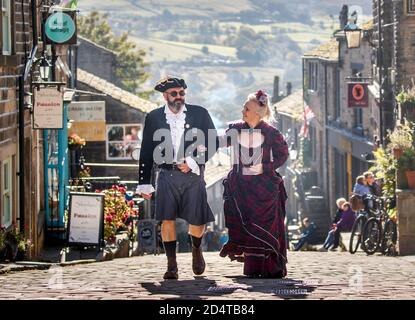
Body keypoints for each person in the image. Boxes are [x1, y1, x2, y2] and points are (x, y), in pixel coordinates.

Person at [136, 76, 217, 280]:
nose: (179, 97)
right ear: (165, 96)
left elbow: (214, 141)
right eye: (174, 93)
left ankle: (196, 250)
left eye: (182, 93)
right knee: (167, 220)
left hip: (193, 174)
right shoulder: (154, 117)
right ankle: (171, 265)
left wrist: (193, 161)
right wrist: (144, 182)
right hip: (166, 174)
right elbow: (146, 150)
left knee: (197, 219)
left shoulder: (200, 114)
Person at [219, 90, 289, 278]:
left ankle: (270, 267)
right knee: (246, 224)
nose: (243, 111)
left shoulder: (271, 133)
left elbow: (283, 155)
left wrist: (265, 167)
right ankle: (252, 267)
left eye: (247, 108)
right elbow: (219, 142)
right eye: (244, 107)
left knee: (265, 226)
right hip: (241, 186)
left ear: (258, 112)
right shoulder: (235, 129)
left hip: (264, 187)